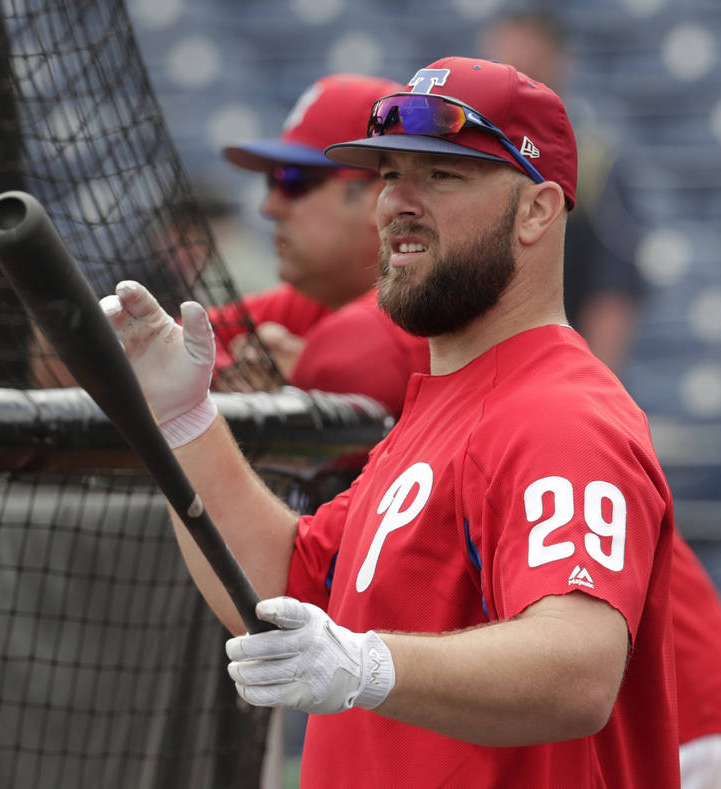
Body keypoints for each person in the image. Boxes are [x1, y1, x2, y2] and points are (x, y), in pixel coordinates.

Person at [102, 56, 681, 786]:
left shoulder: (560, 412)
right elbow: (286, 584)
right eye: (386, 175)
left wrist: (369, 664)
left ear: (536, 210)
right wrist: (183, 421)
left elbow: (579, 667)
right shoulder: (441, 408)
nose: (397, 203)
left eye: (442, 175)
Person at [482, 10, 721, 786]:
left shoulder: (589, 162)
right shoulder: (476, 164)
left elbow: (615, 284)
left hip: (555, 382)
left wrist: (585, 382)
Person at [210, 73, 429, 416]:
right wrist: (249, 374)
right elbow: (168, 342)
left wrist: (296, 382)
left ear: (381, 198)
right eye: (272, 179)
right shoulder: (321, 295)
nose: (269, 207)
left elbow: (345, 360)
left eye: (294, 180)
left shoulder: (432, 304)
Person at [480, 8, 646, 374]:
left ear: (561, 62)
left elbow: (612, 291)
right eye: (506, 66)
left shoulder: (593, 164)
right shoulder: (456, 154)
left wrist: (591, 385)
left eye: (531, 70)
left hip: (553, 369)